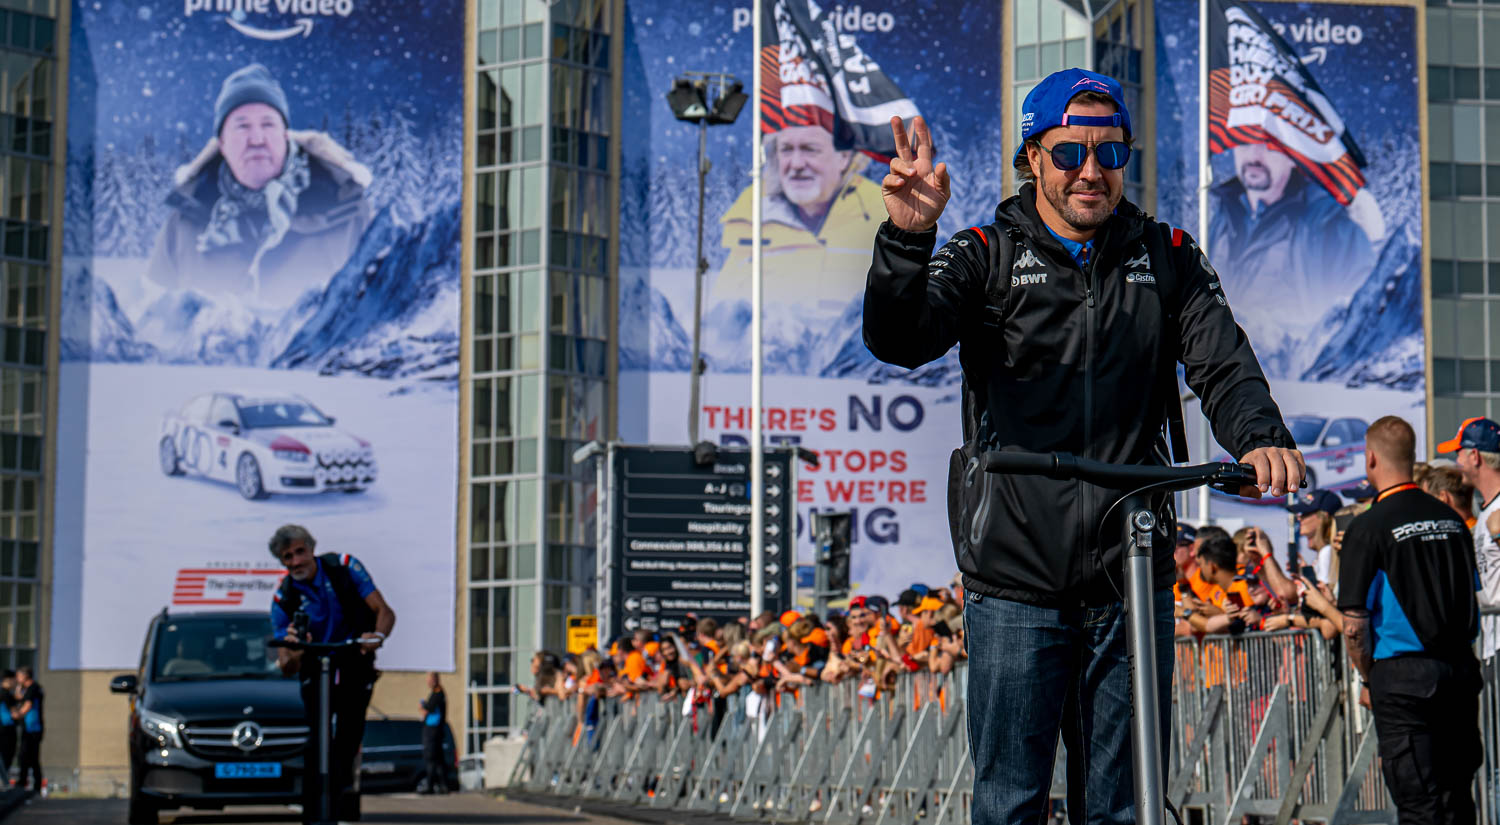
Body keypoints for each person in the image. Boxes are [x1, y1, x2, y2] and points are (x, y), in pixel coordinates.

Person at [864, 67, 1304, 825]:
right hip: (1013, 570)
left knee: (1125, 806)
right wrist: (907, 239)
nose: (1091, 171)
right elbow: (901, 340)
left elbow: (1221, 362)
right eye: (1070, 152)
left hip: (1126, 568)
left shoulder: (1166, 254)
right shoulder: (983, 252)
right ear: (1033, 157)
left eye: (1111, 153)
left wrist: (1262, 438)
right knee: (1010, 803)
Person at [1339, 416, 1481, 825]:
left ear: (1370, 459)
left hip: (1403, 680)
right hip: (1458, 671)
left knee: (1419, 805)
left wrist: (1367, 677)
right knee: (1457, 800)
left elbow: (1354, 622)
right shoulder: (1453, 520)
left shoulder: (1366, 527)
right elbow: (1471, 590)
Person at [146, 63, 373, 307]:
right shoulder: (182, 225)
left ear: (285, 136)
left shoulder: (348, 213)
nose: (256, 139)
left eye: (268, 124)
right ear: (221, 143)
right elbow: (150, 323)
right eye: (242, 126)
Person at [268, 524, 396, 821]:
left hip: (354, 657)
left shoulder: (344, 566)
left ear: (312, 549)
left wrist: (375, 638)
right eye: (288, 557)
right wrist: (295, 647)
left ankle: (342, 806)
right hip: (315, 664)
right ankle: (313, 813)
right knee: (316, 741)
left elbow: (385, 613)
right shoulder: (283, 597)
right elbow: (286, 664)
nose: (297, 561)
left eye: (300, 552)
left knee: (349, 739)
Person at [1441, 417, 1500, 658]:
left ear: (1475, 456)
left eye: (1459, 454)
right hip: (1492, 645)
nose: (1456, 463)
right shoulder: (1488, 509)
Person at [1288, 489, 1341, 585]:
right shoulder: (1325, 552)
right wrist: (1304, 572)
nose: (1299, 518)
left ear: (1323, 517)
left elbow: (1323, 596)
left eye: (1305, 513)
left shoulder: (1327, 552)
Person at [419, 672, 448, 795]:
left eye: (429, 680)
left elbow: (428, 708)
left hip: (433, 731)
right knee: (438, 759)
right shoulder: (438, 692)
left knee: (431, 759)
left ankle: (430, 786)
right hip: (435, 731)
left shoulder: (438, 693)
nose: (428, 682)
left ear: (435, 680)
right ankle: (443, 786)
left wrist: (423, 708)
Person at [13, 668, 40, 794]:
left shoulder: (33, 688)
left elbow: (27, 705)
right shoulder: (28, 689)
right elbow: (19, 697)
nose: (17, 679)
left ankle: (30, 783)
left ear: (26, 676)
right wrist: (18, 686)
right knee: (25, 755)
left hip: (32, 727)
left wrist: (17, 715)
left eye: (19, 677)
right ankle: (25, 781)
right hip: (28, 727)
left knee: (29, 756)